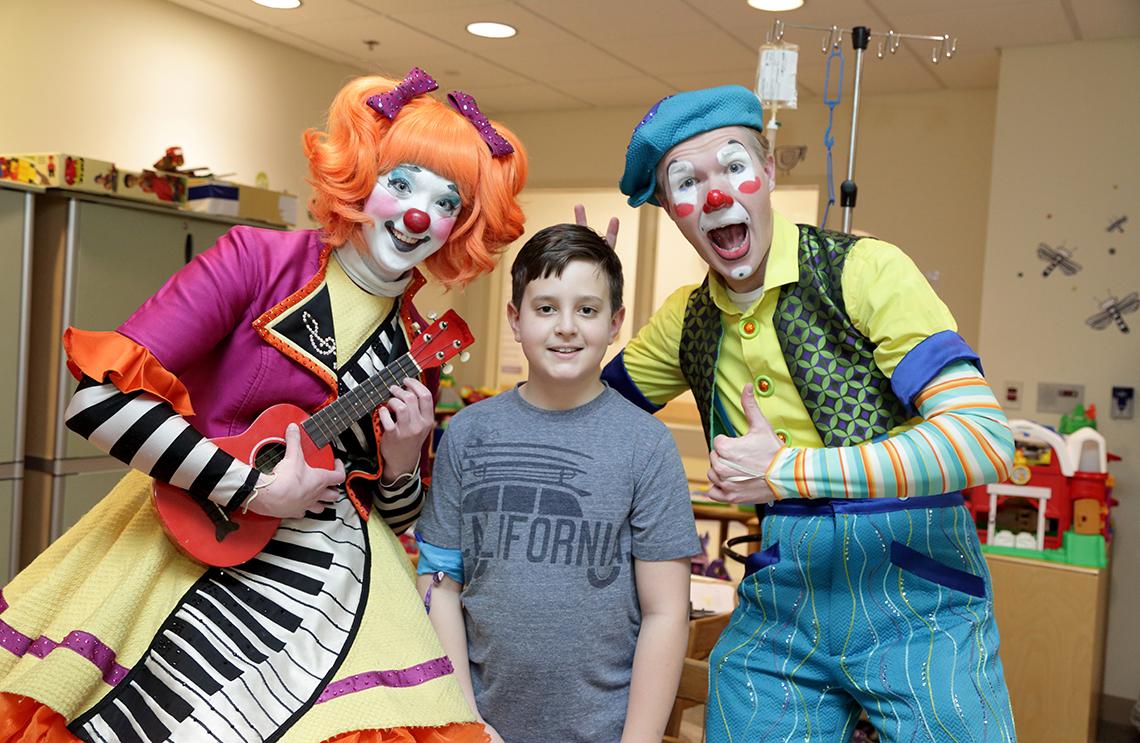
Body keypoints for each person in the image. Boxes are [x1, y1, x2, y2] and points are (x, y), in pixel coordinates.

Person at [0, 68, 527, 742]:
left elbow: (392, 515)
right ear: (362, 174)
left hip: (329, 600)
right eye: (400, 182)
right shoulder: (256, 259)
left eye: (445, 200)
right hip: (184, 548)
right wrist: (251, 486)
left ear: (461, 223)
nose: (418, 214)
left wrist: (400, 461)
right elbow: (99, 400)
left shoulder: (414, 346)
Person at [600, 85, 1018, 742]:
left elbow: (985, 440)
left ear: (767, 173)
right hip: (782, 600)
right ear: (671, 212)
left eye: (733, 167)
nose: (715, 196)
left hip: (916, 592)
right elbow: (583, 414)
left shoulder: (867, 271)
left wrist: (790, 471)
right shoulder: (686, 320)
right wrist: (583, 301)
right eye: (687, 182)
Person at [414, 224, 701, 743]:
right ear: (515, 319)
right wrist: (465, 722)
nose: (566, 327)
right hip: (481, 728)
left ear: (615, 324)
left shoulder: (647, 444)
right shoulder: (467, 433)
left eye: (587, 310)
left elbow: (666, 612)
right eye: (546, 308)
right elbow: (440, 584)